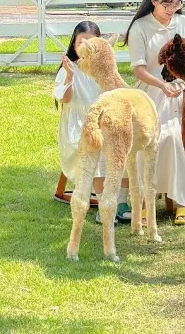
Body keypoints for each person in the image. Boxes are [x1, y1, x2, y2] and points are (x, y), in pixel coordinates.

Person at [125, 0, 185, 225]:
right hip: (149, 93)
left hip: (180, 92)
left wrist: (182, 85)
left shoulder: (184, 24)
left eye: (177, 4)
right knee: (149, 138)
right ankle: (145, 199)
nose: (172, 10)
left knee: (177, 136)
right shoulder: (140, 28)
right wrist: (163, 86)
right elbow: (139, 69)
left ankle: (183, 202)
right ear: (153, 1)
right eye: (167, 4)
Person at [53, 21, 130, 223]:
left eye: (90, 42)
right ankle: (104, 203)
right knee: (95, 147)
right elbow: (66, 99)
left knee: (122, 144)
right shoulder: (69, 69)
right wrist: (69, 75)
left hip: (103, 121)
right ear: (74, 44)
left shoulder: (101, 69)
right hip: (78, 126)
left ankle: (121, 202)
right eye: (81, 42)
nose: (85, 47)